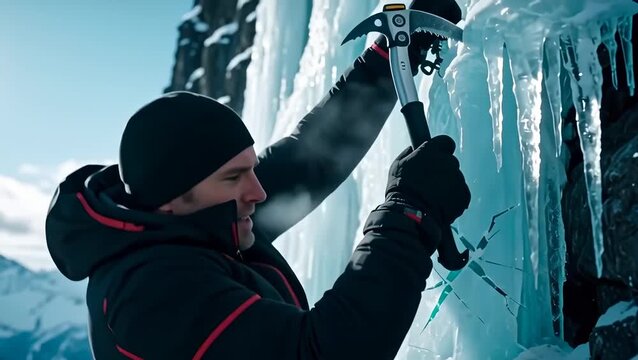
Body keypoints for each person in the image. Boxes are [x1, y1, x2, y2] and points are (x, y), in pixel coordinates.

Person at [45, 1, 469, 359]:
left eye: (250, 168)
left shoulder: (186, 219)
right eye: (235, 177)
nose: (259, 191)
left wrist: (392, 56)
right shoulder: (150, 298)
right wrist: (408, 214)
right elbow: (321, 352)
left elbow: (307, 161)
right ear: (172, 197)